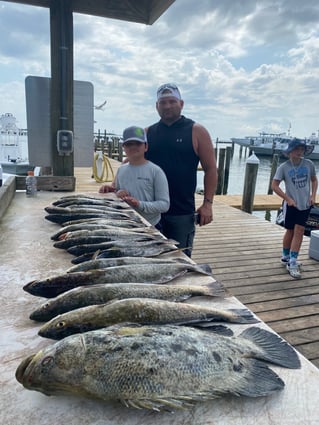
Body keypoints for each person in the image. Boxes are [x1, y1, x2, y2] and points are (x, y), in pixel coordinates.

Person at [145, 83, 218, 257]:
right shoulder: (148, 132)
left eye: (172, 101)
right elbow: (131, 162)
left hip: (181, 212)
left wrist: (207, 204)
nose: (167, 106)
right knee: (149, 258)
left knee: (180, 259)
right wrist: (114, 184)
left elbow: (211, 169)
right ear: (157, 106)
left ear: (181, 103)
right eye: (163, 102)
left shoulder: (196, 131)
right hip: (150, 209)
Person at [99, 126, 170, 228]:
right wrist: (112, 192)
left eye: (138, 143)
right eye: (129, 144)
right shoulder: (121, 170)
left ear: (146, 147)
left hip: (151, 225)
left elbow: (164, 205)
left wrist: (139, 204)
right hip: (125, 223)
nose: (133, 147)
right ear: (123, 147)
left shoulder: (156, 171)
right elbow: (119, 193)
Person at [272, 138, 318, 279]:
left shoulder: (309, 164)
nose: (300, 152)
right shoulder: (284, 167)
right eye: (297, 149)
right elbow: (274, 186)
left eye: (302, 149)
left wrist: (313, 196)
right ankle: (285, 256)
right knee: (290, 231)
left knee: (300, 230)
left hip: (305, 204)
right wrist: (288, 199)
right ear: (290, 151)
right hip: (291, 205)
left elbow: (314, 180)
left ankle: (292, 262)